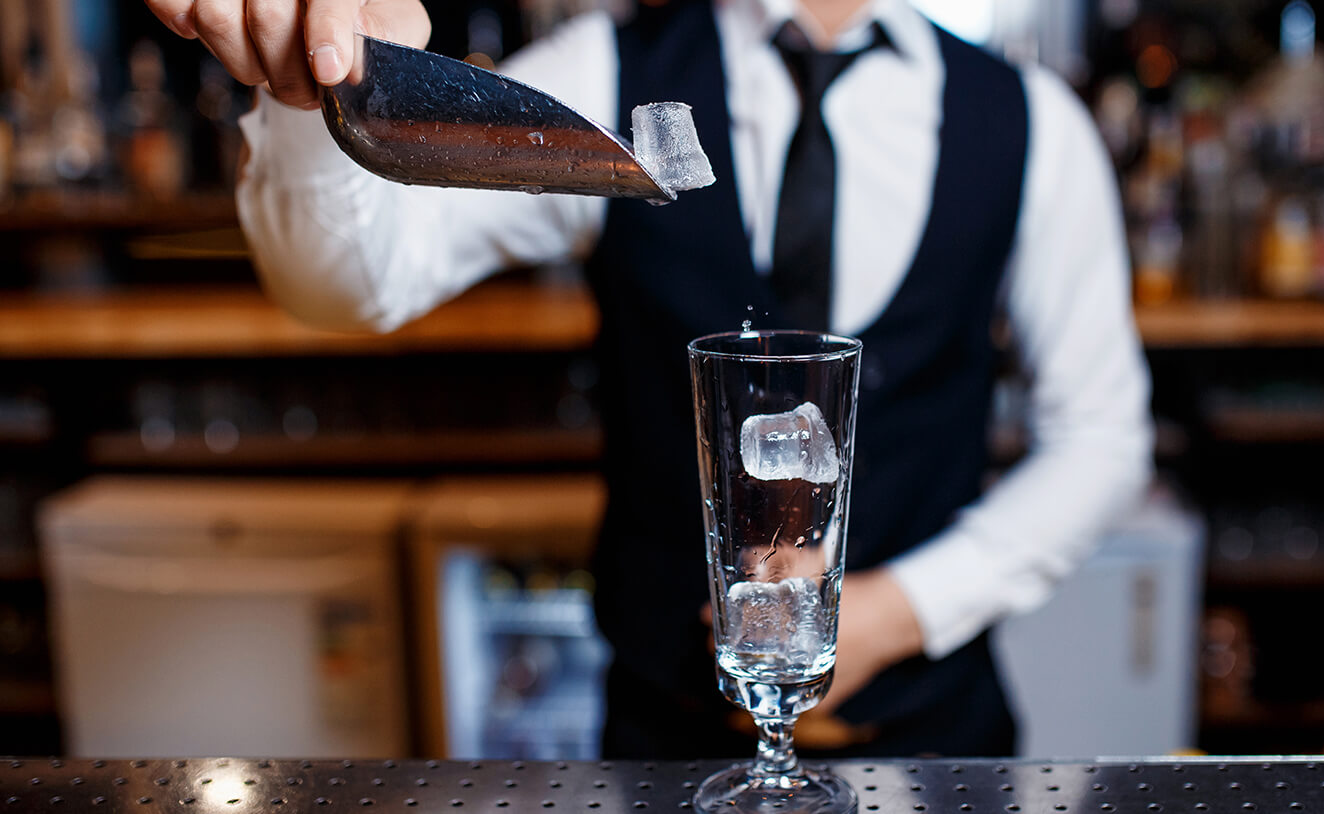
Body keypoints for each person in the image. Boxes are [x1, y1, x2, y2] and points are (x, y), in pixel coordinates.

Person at [145, 0, 1154, 758]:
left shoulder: (1031, 122)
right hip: (662, 747)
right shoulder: (606, 71)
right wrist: (299, 96)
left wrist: (900, 607)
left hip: (941, 745)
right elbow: (356, 287)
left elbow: (1103, 441)